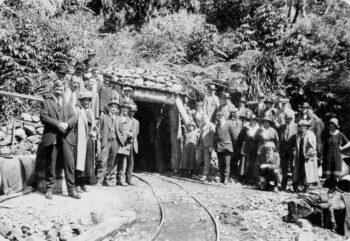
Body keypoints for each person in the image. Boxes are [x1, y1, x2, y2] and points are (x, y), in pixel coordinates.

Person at [40, 81, 80, 199]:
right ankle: (49, 189)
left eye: (61, 89)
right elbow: (44, 117)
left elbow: (74, 117)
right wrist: (58, 124)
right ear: (53, 90)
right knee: (51, 163)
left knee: (69, 163)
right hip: (52, 137)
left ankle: (71, 189)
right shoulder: (47, 103)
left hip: (66, 137)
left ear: (63, 90)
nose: (59, 91)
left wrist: (67, 124)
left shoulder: (67, 104)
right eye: (57, 89)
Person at [75, 92, 98, 192]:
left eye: (88, 100)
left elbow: (94, 126)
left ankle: (83, 183)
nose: (86, 102)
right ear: (81, 101)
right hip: (80, 138)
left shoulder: (91, 112)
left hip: (89, 139)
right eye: (84, 100)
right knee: (79, 162)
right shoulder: (78, 111)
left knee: (87, 162)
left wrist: (94, 132)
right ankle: (76, 184)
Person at [322, 118, 350, 193]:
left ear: (335, 126)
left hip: (336, 155)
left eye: (332, 124)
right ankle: (330, 188)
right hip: (328, 155)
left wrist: (342, 147)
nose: (330, 126)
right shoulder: (327, 134)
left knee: (335, 172)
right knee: (329, 172)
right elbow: (324, 145)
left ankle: (334, 188)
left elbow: (349, 143)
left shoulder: (340, 134)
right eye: (330, 124)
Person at [96, 99, 120, 186]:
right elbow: (98, 128)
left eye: (116, 108)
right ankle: (99, 180)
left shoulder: (118, 119)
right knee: (103, 161)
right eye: (112, 107)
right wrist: (99, 139)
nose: (114, 109)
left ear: (117, 110)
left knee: (112, 161)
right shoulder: (104, 117)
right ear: (109, 108)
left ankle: (106, 179)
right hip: (106, 141)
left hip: (115, 142)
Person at [293, 120, 319, 193]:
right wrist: (295, 151)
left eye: (304, 126)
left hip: (308, 156)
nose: (302, 128)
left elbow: (313, 147)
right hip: (300, 155)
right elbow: (296, 145)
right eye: (301, 126)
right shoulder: (298, 135)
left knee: (307, 172)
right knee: (300, 171)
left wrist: (308, 154)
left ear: (307, 127)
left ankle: (306, 188)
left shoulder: (310, 134)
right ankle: (299, 187)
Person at [114, 103, 134, 186]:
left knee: (124, 162)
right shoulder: (117, 118)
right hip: (118, 142)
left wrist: (131, 134)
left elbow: (132, 130)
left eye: (126, 109)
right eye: (123, 108)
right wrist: (121, 139)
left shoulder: (130, 120)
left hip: (126, 144)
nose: (125, 110)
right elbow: (116, 130)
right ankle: (113, 179)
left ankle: (121, 179)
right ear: (121, 109)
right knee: (115, 161)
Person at [215, 112, 237, 184]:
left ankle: (226, 178)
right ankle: (221, 177)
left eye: (221, 117)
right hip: (219, 146)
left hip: (227, 146)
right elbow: (216, 136)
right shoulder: (217, 125)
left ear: (224, 117)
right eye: (219, 117)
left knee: (227, 163)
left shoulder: (229, 124)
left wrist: (232, 145)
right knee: (220, 163)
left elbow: (234, 136)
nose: (220, 118)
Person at [279, 109, 298, 190]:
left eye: (289, 119)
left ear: (292, 119)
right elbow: (280, 140)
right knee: (284, 168)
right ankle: (283, 185)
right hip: (283, 151)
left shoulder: (296, 127)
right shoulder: (282, 127)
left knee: (293, 168)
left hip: (292, 150)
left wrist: (295, 150)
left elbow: (298, 140)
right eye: (286, 119)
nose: (288, 120)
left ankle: (295, 186)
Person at [238, 114, 260, 183]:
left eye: (254, 120)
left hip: (254, 148)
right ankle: (243, 178)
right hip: (246, 147)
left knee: (253, 163)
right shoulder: (245, 128)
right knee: (244, 163)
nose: (252, 121)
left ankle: (252, 178)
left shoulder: (258, 129)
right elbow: (240, 137)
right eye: (251, 120)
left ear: (256, 121)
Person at [197, 115, 215, 182]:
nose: (203, 119)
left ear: (208, 118)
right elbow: (200, 135)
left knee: (206, 160)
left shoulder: (211, 125)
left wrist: (211, 146)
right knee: (200, 159)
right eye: (203, 118)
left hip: (207, 145)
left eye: (205, 118)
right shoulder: (202, 125)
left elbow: (212, 136)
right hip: (201, 144)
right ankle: (201, 173)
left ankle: (205, 175)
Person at [126, 104, 139, 185]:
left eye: (133, 112)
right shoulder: (125, 119)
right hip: (125, 143)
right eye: (130, 111)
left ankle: (129, 178)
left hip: (133, 144)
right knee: (123, 162)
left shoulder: (137, 122)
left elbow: (137, 133)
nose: (132, 113)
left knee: (131, 162)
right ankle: (120, 178)